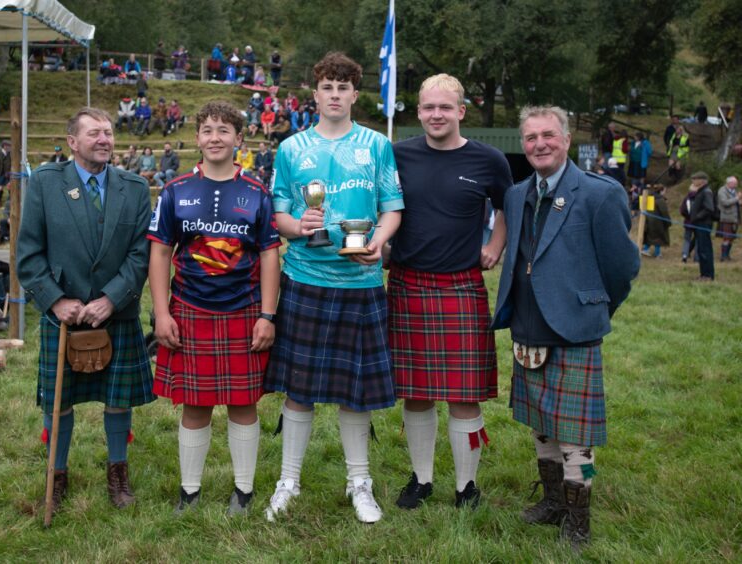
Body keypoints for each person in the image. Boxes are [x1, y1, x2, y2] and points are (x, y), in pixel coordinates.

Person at [263, 52, 404, 524]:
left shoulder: (377, 145)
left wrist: (380, 243)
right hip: (305, 277)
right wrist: (298, 226)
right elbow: (278, 214)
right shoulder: (290, 148)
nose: (336, 95)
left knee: (355, 389)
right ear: (316, 93)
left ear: (355, 94)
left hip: (361, 280)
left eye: (344, 87)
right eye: (328, 87)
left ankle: (359, 483)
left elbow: (392, 207)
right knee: (298, 389)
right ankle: (289, 481)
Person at [491, 105, 639, 549]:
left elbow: (622, 267)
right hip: (528, 324)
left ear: (567, 140)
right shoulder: (516, 195)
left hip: (574, 327)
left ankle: (579, 519)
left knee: (577, 434)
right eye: (532, 137)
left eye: (549, 135)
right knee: (542, 424)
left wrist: (593, 307)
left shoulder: (598, 193)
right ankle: (554, 502)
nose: (540, 144)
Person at [17, 107, 154, 515]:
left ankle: (118, 471)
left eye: (109, 133)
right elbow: (28, 253)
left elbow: (140, 254)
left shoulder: (135, 186)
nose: (104, 140)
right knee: (57, 402)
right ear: (73, 142)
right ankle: (56, 476)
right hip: (63, 315)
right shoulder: (43, 183)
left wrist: (112, 297)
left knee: (118, 400)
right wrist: (56, 300)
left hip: (118, 313)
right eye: (94, 133)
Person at [148, 101, 281, 516]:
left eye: (224, 130)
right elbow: (159, 254)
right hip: (188, 309)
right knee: (194, 404)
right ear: (197, 139)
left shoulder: (258, 192)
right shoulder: (175, 190)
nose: (215, 137)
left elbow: (270, 256)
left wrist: (267, 315)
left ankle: (243, 492)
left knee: (244, 402)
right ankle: (190, 491)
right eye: (207, 130)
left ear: (239, 139)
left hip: (244, 310)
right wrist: (161, 313)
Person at [388, 73, 512, 510]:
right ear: (418, 111)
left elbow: (507, 206)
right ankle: (421, 480)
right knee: (416, 390)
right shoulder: (397, 154)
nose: (435, 115)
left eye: (445, 107)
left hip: (461, 284)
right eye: (428, 107)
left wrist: (494, 245)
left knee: (464, 393)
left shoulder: (489, 159)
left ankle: (467, 487)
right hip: (406, 282)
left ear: (461, 111)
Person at [688, 171, 716, 281]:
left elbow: (709, 208)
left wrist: (697, 217)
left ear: (702, 180)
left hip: (703, 224)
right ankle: (703, 274)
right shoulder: (701, 191)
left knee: (705, 250)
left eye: (695, 179)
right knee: (701, 250)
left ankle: (708, 275)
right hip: (699, 224)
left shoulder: (706, 192)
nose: (693, 181)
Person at [641, 185, 670, 257]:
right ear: (661, 191)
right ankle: (657, 253)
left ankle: (645, 249)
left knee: (650, 236)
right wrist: (668, 221)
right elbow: (664, 212)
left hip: (648, 220)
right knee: (658, 237)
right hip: (658, 222)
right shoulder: (660, 200)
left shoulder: (649, 198)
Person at [716, 175, 740, 261]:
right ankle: (723, 256)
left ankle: (727, 255)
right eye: (735, 183)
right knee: (726, 237)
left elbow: (735, 202)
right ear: (729, 183)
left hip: (735, 218)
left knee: (732, 238)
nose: (736, 185)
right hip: (726, 217)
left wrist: (739, 201)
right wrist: (737, 198)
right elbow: (725, 202)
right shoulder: (722, 191)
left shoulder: (734, 191)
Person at [680, 183, 698, 263]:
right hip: (698, 222)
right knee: (698, 240)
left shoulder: (686, 198)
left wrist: (687, 217)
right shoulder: (700, 198)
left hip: (688, 222)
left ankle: (684, 255)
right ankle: (696, 257)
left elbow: (682, 210)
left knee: (687, 239)